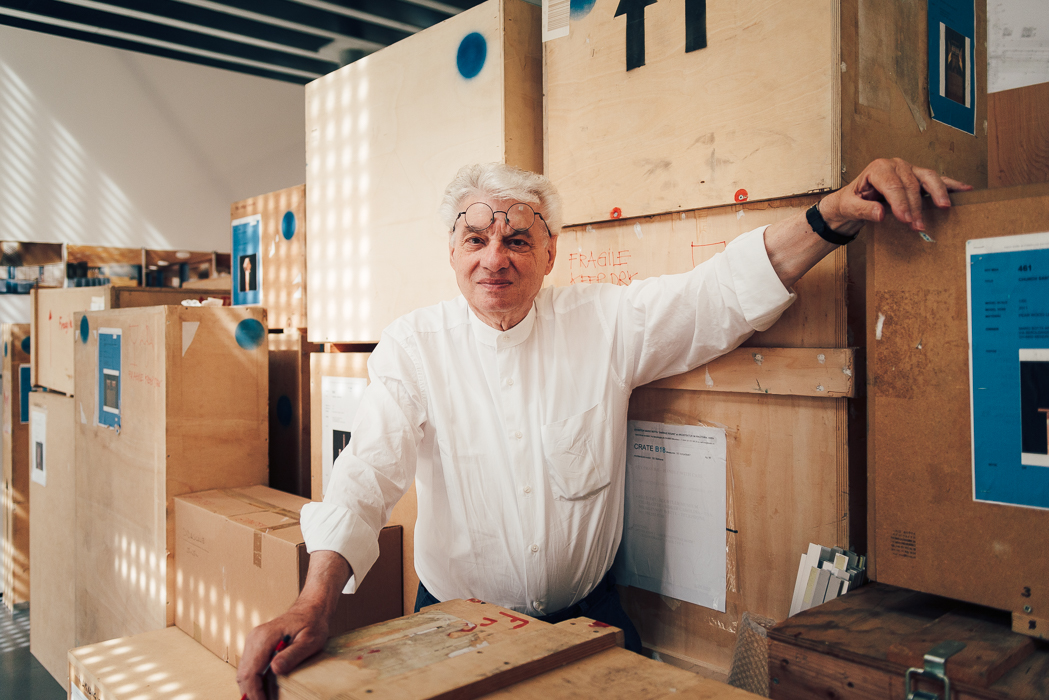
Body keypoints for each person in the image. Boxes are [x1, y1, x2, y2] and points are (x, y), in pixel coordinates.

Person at [237, 158, 970, 699]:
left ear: (551, 253)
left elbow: (716, 294)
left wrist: (831, 215)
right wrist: (313, 602)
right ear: (452, 253)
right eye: (475, 239)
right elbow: (367, 473)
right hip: (453, 621)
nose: (495, 257)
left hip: (588, 617)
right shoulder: (413, 345)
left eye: (518, 239)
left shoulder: (605, 323)